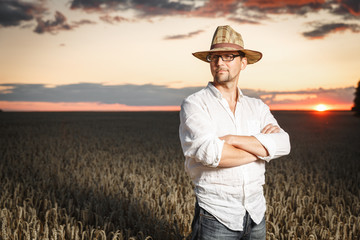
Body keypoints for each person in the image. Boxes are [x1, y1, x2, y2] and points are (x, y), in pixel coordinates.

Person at [179, 25, 291, 239]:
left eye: (228, 56)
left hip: (256, 213)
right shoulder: (194, 104)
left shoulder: (256, 106)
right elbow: (212, 154)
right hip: (216, 215)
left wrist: (232, 139)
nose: (219, 62)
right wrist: (263, 149)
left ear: (243, 62)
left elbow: (284, 143)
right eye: (214, 57)